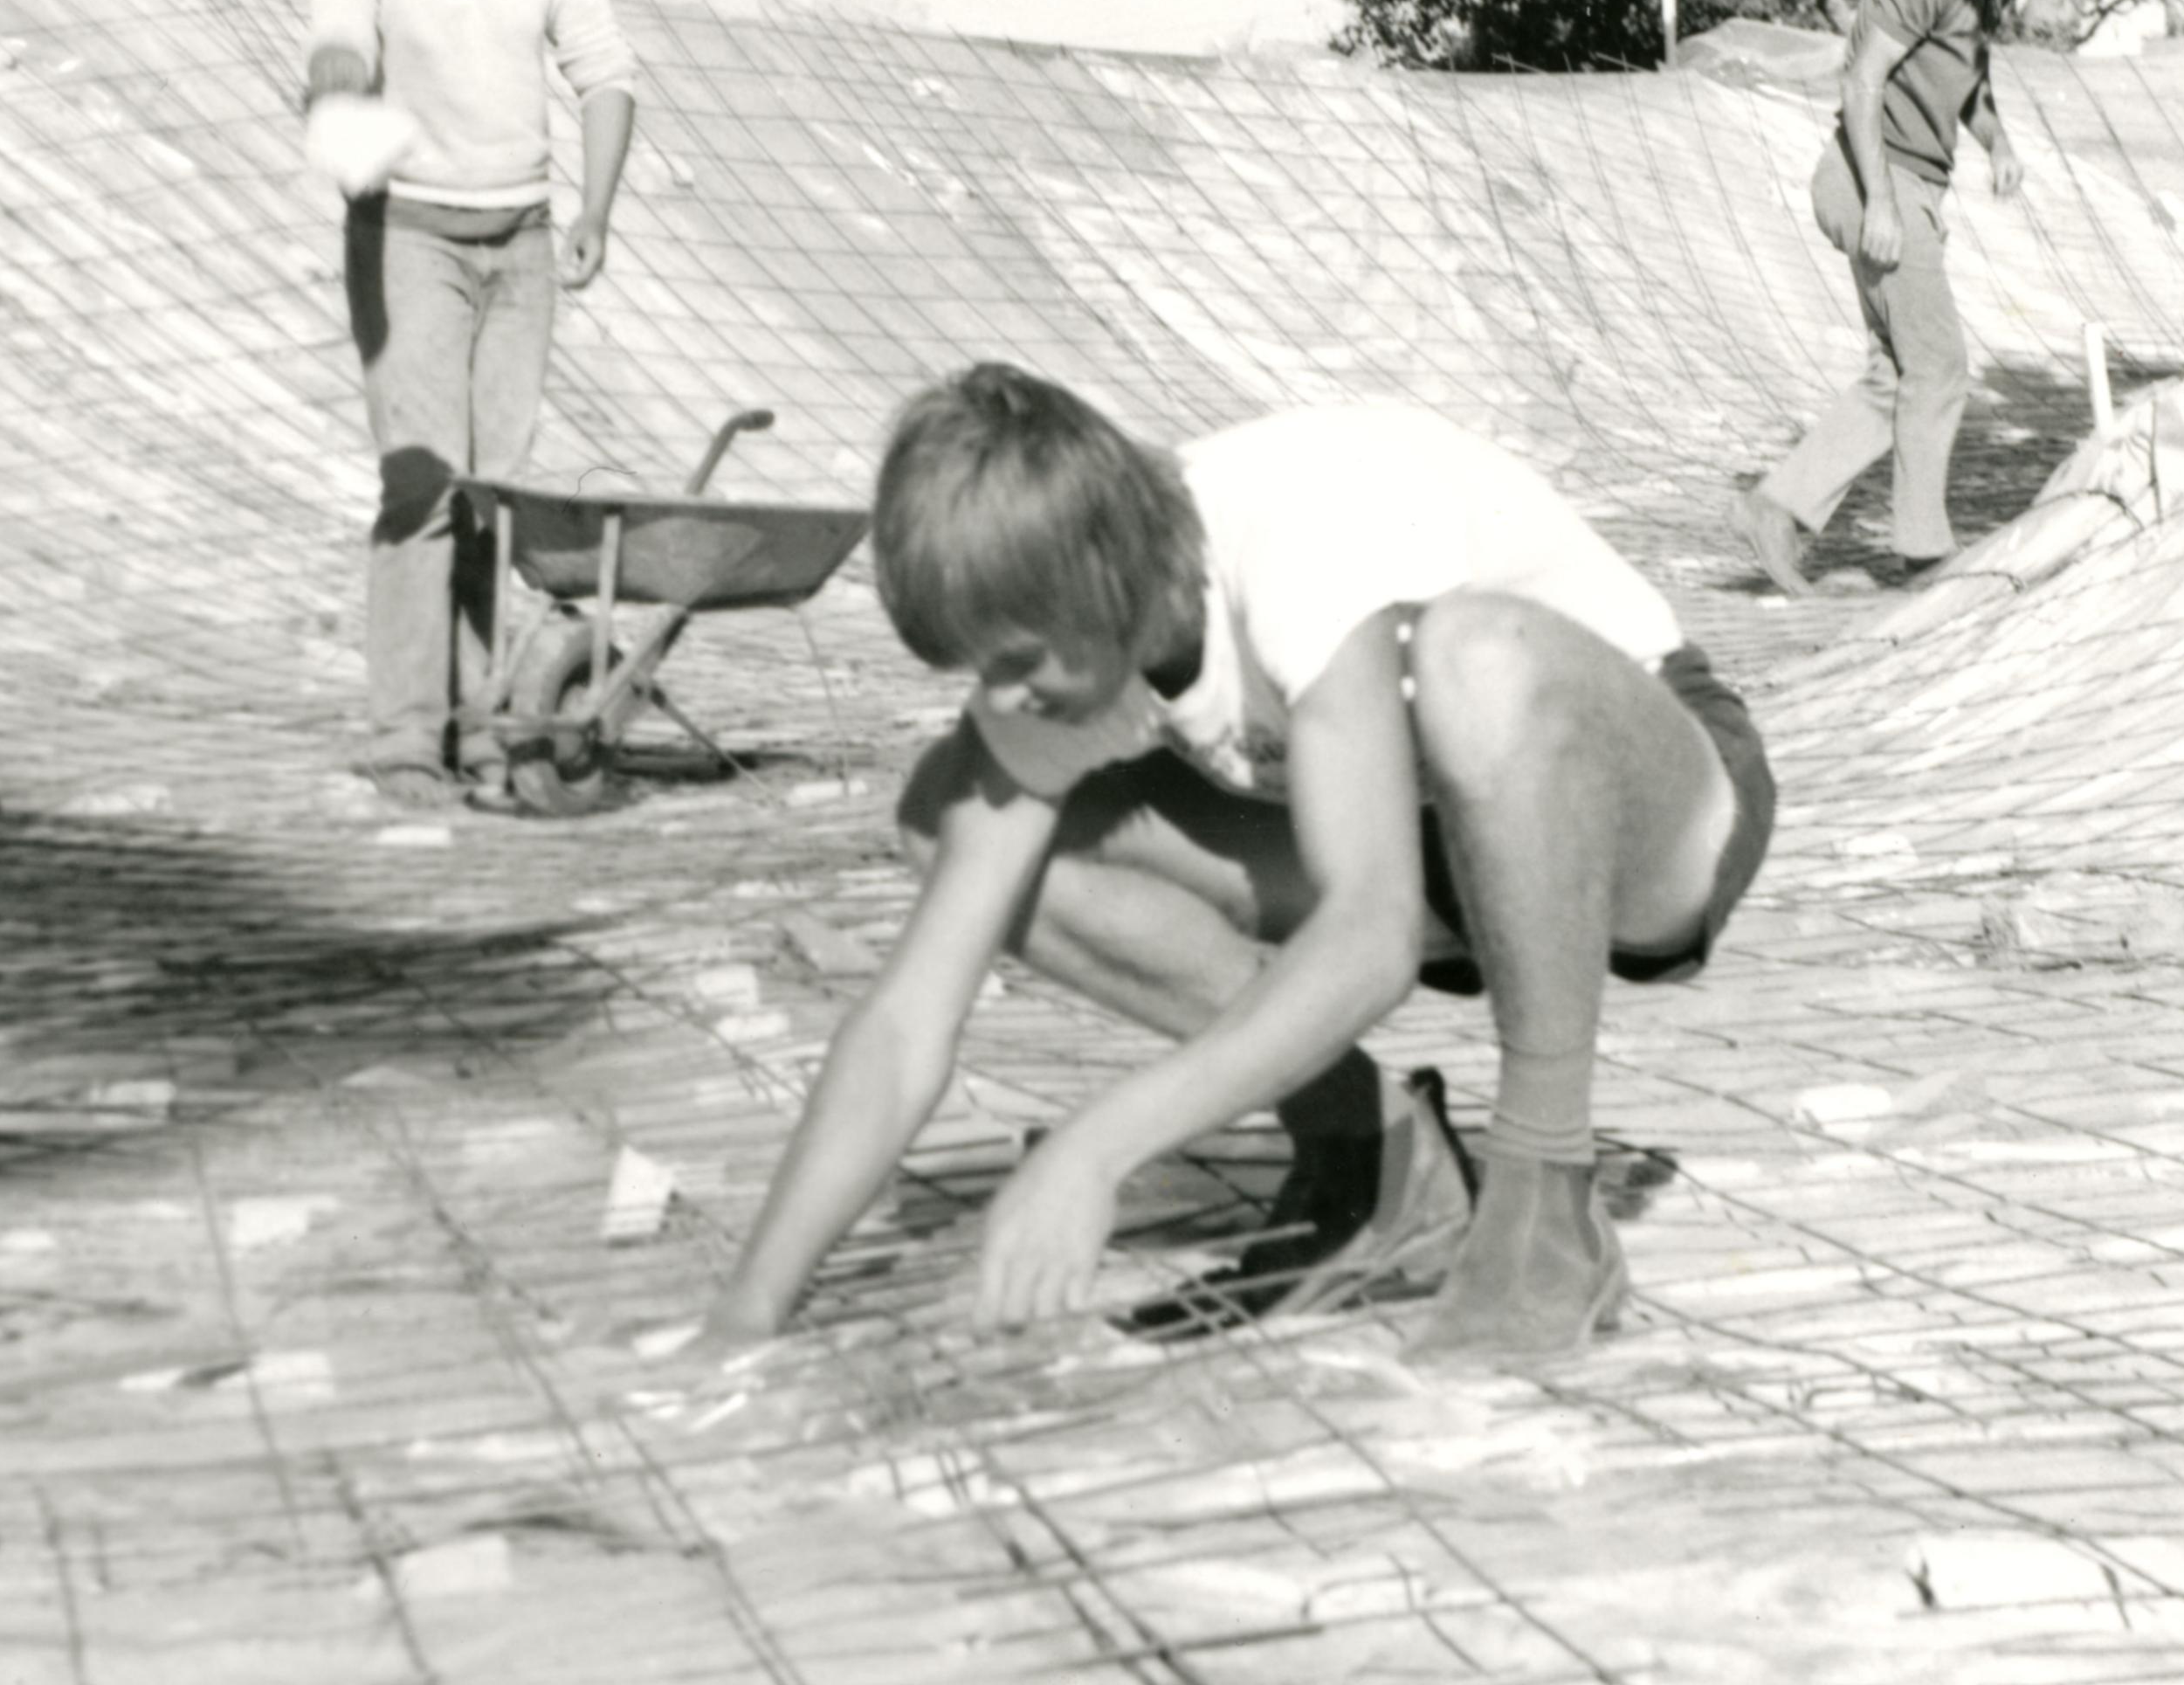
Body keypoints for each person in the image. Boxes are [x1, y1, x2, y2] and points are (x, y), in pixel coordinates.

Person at [695, 369, 1777, 1363]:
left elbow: (1372, 938)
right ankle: (1380, 1160)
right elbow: (903, 1023)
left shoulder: (1297, 530)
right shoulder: (1080, 632)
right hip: (1438, 840)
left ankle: (1545, 1210)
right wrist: (747, 1315)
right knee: (952, 811)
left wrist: (1093, 1147)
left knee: (1473, 659)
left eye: (1017, 663)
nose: (1005, 696)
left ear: (1102, 570)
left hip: (1643, 815)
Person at [297, 0, 643, 812]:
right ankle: (406, 736)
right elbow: (342, 44)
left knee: (495, 493)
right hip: (408, 234)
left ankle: (485, 724)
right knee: (423, 484)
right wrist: (339, 97)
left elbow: (604, 73)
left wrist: (593, 210)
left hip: (522, 244)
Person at [1734, 0, 2092, 594]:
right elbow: (1862, 81)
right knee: (1939, 366)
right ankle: (1926, 556)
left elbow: (1966, 79)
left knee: (1895, 375)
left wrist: (1997, 143)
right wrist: (1885, 206)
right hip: (1872, 175)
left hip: (1906, 182)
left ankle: (1778, 506)